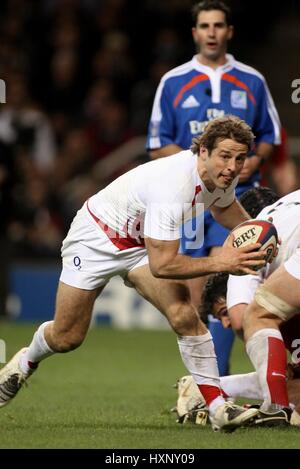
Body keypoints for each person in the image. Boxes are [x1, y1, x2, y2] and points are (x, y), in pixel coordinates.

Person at [0, 116, 266, 432]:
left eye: (239, 158)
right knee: (67, 336)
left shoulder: (221, 175)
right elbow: (163, 266)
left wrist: (259, 233)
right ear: (203, 151)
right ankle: (24, 362)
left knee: (183, 315)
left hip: (140, 243)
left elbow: (223, 208)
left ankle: (218, 409)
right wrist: (225, 261)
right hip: (96, 237)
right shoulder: (174, 185)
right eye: (225, 156)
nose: (233, 166)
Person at [146, 0, 281, 376]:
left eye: (218, 25)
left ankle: (251, 375)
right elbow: (158, 144)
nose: (211, 32)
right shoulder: (172, 82)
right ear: (194, 33)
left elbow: (270, 136)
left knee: (244, 285)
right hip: (191, 201)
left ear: (229, 31)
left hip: (239, 199)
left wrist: (252, 161)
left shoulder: (252, 80)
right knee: (199, 294)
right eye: (204, 25)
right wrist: (205, 167)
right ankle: (208, 384)